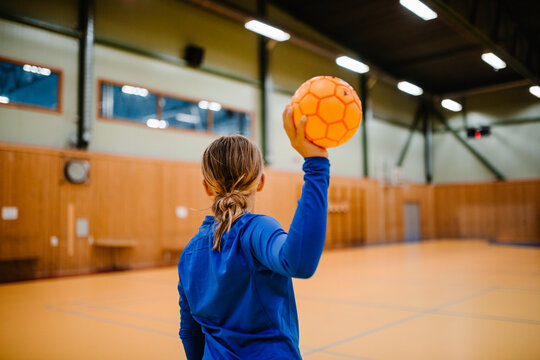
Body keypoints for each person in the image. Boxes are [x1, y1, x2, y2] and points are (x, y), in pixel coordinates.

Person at [177, 105, 330, 359]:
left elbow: (190, 332)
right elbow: (300, 263)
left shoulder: (189, 253)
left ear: (206, 187)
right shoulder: (257, 230)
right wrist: (317, 165)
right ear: (260, 181)